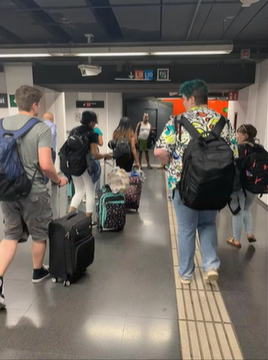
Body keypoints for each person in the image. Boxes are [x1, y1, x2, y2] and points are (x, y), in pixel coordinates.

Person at [154, 79, 238, 285]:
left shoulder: (177, 121)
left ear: (191, 98)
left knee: (185, 228)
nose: (182, 103)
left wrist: (170, 165)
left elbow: (159, 152)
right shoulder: (224, 122)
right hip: (216, 185)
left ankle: (186, 273)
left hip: (185, 186)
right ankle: (211, 265)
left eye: (183, 99)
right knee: (208, 223)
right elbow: (234, 154)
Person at [0, 85, 68, 309]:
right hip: (33, 191)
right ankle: (38, 272)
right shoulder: (41, 129)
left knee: (10, 235)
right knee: (39, 233)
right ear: (35, 105)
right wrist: (58, 180)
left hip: (6, 190)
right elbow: (46, 164)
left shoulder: (1, 125)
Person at [68, 111, 112, 221]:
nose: (95, 125)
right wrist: (106, 154)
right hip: (86, 167)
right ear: (91, 122)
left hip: (73, 166)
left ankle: (68, 217)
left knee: (79, 191)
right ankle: (88, 221)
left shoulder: (74, 131)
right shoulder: (92, 134)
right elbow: (94, 155)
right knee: (90, 193)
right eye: (94, 123)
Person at [227, 124, 258, 248]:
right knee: (246, 209)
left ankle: (236, 240)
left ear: (245, 135)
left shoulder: (238, 148)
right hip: (255, 187)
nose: (236, 136)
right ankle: (249, 233)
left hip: (240, 186)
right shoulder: (258, 148)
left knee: (237, 212)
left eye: (238, 133)